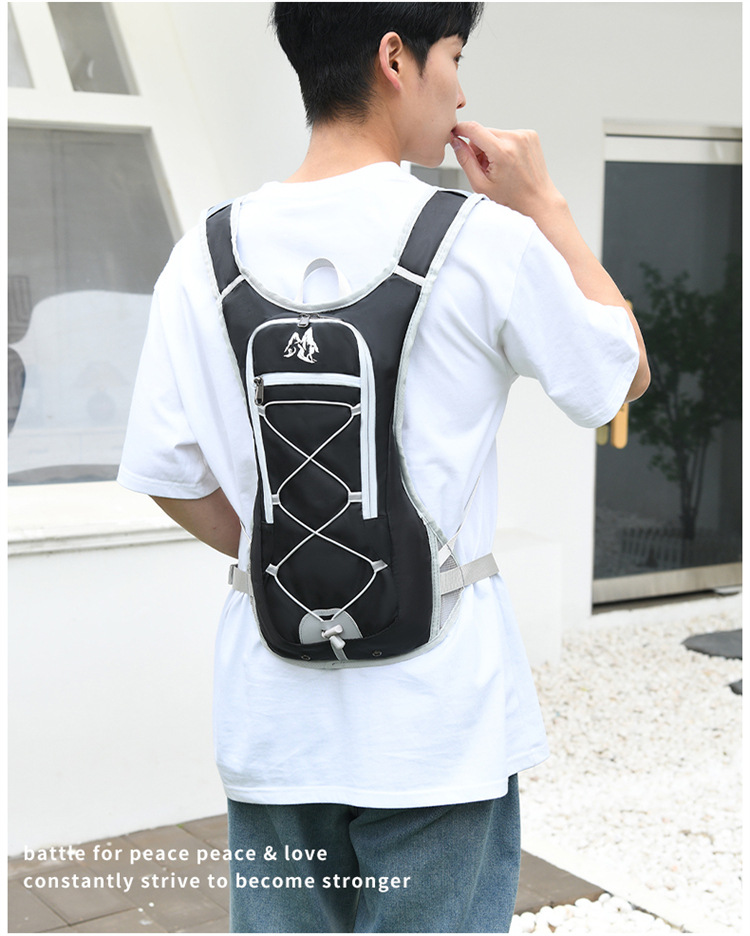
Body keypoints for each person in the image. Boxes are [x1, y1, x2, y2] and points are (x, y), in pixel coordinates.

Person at [118, 3, 649, 932]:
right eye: (455, 57)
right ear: (395, 58)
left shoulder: (202, 252)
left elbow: (168, 471)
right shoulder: (483, 238)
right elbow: (620, 378)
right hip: (436, 725)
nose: (462, 92)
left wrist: (290, 557)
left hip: (273, 715)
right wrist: (544, 205)